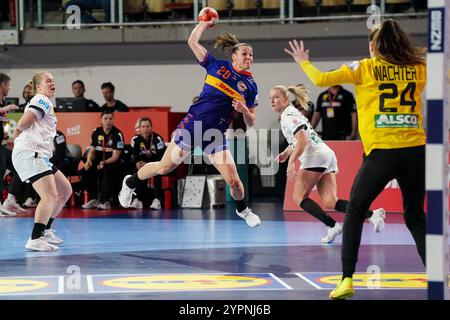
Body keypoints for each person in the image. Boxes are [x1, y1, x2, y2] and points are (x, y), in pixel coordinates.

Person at [285, 19, 427, 299]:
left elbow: (320, 80)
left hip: (382, 153)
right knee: (415, 217)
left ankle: (347, 280)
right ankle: (438, 273)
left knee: (356, 210)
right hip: (417, 153)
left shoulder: (364, 67)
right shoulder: (418, 68)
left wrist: (303, 61)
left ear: (373, 46)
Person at [118, 21, 261, 227]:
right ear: (234, 56)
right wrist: (203, 22)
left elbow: (252, 120)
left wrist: (244, 110)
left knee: (235, 182)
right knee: (165, 167)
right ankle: (130, 182)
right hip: (192, 126)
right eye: (245, 53)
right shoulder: (216, 65)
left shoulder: (251, 86)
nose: (249, 57)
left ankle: (243, 210)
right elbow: (192, 41)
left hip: (215, 135)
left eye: (251, 55)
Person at [271, 85, 385, 243]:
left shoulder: (288, 115)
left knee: (298, 197)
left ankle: (332, 225)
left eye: (275, 97)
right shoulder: (291, 113)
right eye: (270, 98)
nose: (272, 100)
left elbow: (303, 140)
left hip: (315, 156)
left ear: (285, 99)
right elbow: (301, 137)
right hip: (326, 154)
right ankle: (373, 215)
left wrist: (291, 162)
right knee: (331, 201)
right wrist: (286, 152)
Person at [12, 71, 72, 251]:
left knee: (65, 190)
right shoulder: (41, 99)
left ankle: (45, 230)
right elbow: (24, 121)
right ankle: (35, 238)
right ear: (38, 86)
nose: (52, 83)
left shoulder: (45, 102)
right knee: (50, 196)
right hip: (31, 153)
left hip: (39, 155)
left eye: (53, 81)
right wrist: (18, 132)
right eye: (48, 81)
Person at [81, 110, 125, 210]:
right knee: (85, 171)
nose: (108, 121)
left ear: (113, 120)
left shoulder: (117, 134)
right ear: (101, 120)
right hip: (99, 161)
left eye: (110, 119)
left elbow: (116, 156)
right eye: (105, 118)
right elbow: (92, 151)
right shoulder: (96, 132)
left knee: (107, 170)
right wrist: (88, 161)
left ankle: (106, 201)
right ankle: (94, 199)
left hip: (113, 162)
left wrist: (104, 162)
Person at [129, 117, 166, 210]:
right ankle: (138, 199)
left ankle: (157, 200)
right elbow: (135, 156)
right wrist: (138, 163)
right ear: (140, 128)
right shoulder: (135, 139)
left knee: (158, 172)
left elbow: (161, 157)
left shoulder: (158, 139)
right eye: (143, 126)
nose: (145, 129)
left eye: (148, 126)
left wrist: (149, 164)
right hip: (142, 165)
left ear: (151, 127)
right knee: (137, 171)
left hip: (157, 165)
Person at [0, 73, 20, 216]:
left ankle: (10, 199)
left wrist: (6, 138)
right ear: (3, 85)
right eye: (8, 85)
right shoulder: (4, 105)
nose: (9, 88)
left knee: (18, 166)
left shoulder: (3, 100)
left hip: (2, 144)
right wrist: (6, 108)